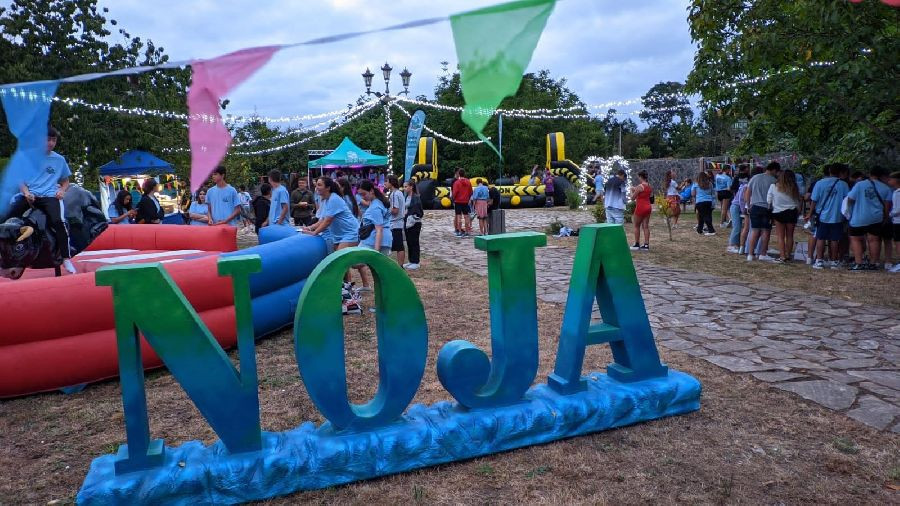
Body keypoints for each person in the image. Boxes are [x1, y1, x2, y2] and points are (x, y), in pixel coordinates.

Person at [5, 126, 75, 273]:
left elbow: (65, 181)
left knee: (59, 222)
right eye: (48, 140)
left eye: (54, 140)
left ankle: (66, 258)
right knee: (7, 216)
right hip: (31, 195)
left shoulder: (59, 160)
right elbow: (21, 181)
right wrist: (26, 193)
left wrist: (62, 191)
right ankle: (6, 252)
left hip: (50, 196)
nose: (51, 143)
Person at [846, 167, 892, 271]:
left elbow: (850, 198)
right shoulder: (886, 188)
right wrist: (885, 217)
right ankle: (873, 263)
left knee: (856, 239)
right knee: (874, 239)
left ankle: (859, 263)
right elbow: (887, 206)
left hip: (859, 216)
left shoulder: (860, 185)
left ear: (870, 174)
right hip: (876, 217)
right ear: (881, 176)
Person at [808, 163, 850, 269]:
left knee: (820, 238)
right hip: (837, 216)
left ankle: (819, 260)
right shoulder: (844, 185)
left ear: (830, 171)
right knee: (835, 239)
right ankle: (834, 261)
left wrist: (810, 213)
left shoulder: (820, 183)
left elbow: (814, 200)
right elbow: (847, 200)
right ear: (840, 172)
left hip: (822, 216)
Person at [302, 176, 359, 253]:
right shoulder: (325, 200)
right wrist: (309, 228)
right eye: (316, 185)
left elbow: (327, 221)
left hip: (350, 232)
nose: (316, 187)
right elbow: (322, 220)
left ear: (328, 188)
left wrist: (314, 233)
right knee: (346, 259)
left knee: (339, 257)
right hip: (339, 235)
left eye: (319, 185)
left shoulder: (334, 199)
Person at [745, 162, 779, 262]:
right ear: (774, 170)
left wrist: (748, 205)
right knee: (765, 231)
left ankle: (750, 254)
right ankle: (763, 253)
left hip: (754, 206)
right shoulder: (774, 181)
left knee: (754, 231)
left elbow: (748, 192)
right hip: (767, 208)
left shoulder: (755, 177)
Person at [767, 169, 802, 263]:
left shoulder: (773, 186)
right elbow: (797, 201)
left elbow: (768, 200)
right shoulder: (794, 187)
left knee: (780, 236)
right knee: (790, 236)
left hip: (778, 212)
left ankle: (782, 256)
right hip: (792, 212)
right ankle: (788, 255)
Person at [357, 180, 392, 256]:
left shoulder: (375, 207)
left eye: (364, 194)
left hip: (374, 241)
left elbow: (379, 229)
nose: (362, 197)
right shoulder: (377, 202)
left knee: (357, 259)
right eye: (360, 195)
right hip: (378, 240)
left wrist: (376, 252)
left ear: (371, 191)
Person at [727, 167, 750, 253]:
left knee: (739, 226)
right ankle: (732, 245)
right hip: (736, 206)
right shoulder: (744, 187)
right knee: (737, 226)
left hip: (738, 207)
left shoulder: (745, 186)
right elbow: (741, 200)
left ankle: (738, 244)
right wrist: (744, 209)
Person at [385, 176, 406, 264]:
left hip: (395, 223)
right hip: (399, 222)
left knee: (398, 246)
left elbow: (395, 210)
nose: (385, 183)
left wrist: (386, 210)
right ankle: (400, 265)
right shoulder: (400, 193)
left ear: (391, 182)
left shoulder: (394, 194)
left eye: (386, 181)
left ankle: (400, 265)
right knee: (399, 246)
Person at [403, 180, 424, 270]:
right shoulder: (406, 197)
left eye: (406, 186)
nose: (404, 188)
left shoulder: (416, 197)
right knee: (409, 242)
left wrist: (410, 214)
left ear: (411, 187)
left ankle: (416, 261)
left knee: (414, 242)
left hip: (414, 223)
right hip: (407, 222)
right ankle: (411, 260)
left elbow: (419, 211)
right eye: (404, 187)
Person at [630, 170, 652, 250]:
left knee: (636, 225)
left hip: (640, 207)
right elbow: (644, 192)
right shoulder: (649, 185)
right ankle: (646, 245)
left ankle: (637, 244)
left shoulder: (640, 186)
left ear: (640, 177)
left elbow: (632, 198)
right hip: (648, 206)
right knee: (645, 226)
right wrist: (635, 189)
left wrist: (631, 190)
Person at [692, 171, 716, 236]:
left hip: (700, 201)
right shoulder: (710, 184)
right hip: (708, 201)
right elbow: (713, 193)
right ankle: (699, 230)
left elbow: (693, 194)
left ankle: (711, 230)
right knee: (701, 216)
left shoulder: (696, 184)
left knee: (705, 216)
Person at [451, 169, 473, 236]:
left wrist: (453, 199)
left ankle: (460, 231)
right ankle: (467, 231)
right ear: (464, 174)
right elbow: (471, 192)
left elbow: (455, 192)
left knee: (459, 217)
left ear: (459, 174)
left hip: (458, 201)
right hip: (465, 201)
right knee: (466, 217)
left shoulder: (456, 182)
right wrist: (467, 198)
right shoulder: (468, 182)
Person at [889, 171, 900, 273]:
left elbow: (897, 209)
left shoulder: (897, 193)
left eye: (890, 179)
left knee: (898, 242)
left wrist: (889, 214)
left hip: (898, 221)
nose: (889, 181)